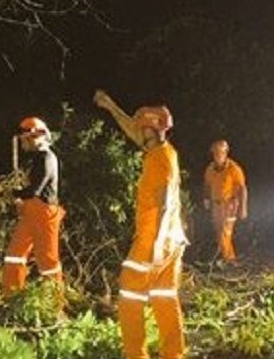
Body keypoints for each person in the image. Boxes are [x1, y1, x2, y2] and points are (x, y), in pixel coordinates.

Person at [95, 90, 187, 359]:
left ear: (153, 129)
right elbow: (132, 131)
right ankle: (173, 354)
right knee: (164, 297)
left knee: (130, 296)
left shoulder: (160, 159)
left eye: (143, 128)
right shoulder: (163, 151)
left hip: (154, 238)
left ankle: (135, 355)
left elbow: (167, 200)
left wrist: (155, 247)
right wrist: (112, 106)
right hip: (172, 239)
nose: (138, 133)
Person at [0, 117, 66, 297]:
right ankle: (11, 295)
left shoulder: (46, 158)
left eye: (24, 139)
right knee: (15, 254)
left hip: (44, 214)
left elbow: (35, 190)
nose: (22, 143)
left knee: (48, 261)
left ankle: (55, 304)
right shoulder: (38, 158)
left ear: (34, 137)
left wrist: (16, 194)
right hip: (32, 213)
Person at [203, 139, 248, 263]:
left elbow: (242, 188)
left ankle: (229, 260)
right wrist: (206, 199)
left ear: (226, 152)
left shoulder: (234, 169)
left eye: (220, 152)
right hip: (216, 205)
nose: (217, 155)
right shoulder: (210, 169)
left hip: (229, 205)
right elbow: (207, 185)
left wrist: (243, 208)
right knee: (219, 233)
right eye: (215, 153)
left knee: (225, 233)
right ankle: (225, 259)